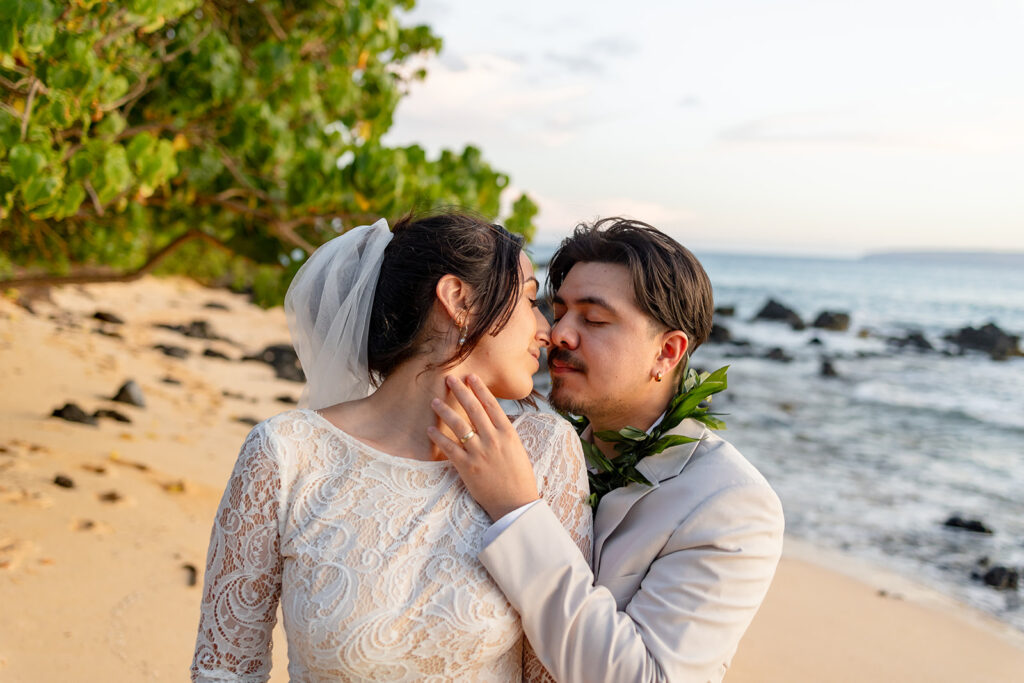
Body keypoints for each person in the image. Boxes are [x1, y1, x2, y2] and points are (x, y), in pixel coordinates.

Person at [190, 212, 592, 681]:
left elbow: (557, 669)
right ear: (458, 300)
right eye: (528, 300)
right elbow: (225, 670)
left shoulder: (545, 451)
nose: (547, 330)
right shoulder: (285, 454)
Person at [430, 217, 785, 682]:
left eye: (594, 319)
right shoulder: (534, 452)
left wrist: (518, 510)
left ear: (668, 352)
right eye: (559, 312)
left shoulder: (731, 505)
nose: (559, 334)